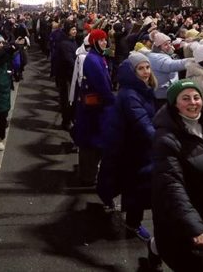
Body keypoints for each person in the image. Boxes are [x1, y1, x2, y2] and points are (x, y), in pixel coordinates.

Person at [150, 79, 203, 272]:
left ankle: (155, 246)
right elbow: (172, 186)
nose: (193, 102)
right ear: (174, 104)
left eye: (196, 97)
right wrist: (195, 226)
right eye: (186, 98)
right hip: (183, 213)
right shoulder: (166, 139)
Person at [102, 52, 157, 241]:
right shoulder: (131, 95)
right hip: (134, 149)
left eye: (147, 67)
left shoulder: (139, 89)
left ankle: (131, 218)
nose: (146, 72)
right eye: (140, 68)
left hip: (136, 147)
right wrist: (158, 139)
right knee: (136, 188)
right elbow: (142, 122)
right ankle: (133, 223)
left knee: (134, 186)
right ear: (132, 72)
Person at [73, 29, 115, 186]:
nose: (104, 42)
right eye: (101, 40)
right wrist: (113, 101)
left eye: (105, 40)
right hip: (93, 109)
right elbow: (102, 86)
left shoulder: (98, 57)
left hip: (95, 108)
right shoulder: (93, 60)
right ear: (94, 42)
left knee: (92, 143)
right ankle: (87, 175)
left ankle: (88, 173)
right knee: (91, 143)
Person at [0, 33, 20, 151]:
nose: (1, 45)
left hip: (4, 91)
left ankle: (0, 137)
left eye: (2, 43)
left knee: (2, 114)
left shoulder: (6, 56)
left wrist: (14, 48)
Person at [147, 32, 192, 109]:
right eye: (165, 44)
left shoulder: (159, 55)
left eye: (170, 43)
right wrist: (192, 61)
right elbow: (171, 65)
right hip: (162, 96)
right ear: (158, 47)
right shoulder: (157, 57)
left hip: (165, 93)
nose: (169, 46)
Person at [52, 23, 78, 130]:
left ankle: (69, 119)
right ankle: (66, 121)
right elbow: (69, 60)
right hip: (66, 76)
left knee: (70, 99)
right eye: (73, 29)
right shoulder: (64, 44)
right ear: (68, 31)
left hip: (71, 75)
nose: (75, 31)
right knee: (67, 99)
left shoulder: (72, 41)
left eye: (75, 29)